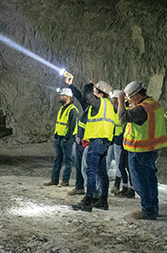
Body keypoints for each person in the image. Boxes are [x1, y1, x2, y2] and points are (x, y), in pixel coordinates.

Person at [67, 76, 118, 212]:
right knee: (102, 173)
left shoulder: (100, 103)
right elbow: (84, 99)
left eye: (96, 91)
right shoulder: (109, 106)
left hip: (96, 142)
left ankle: (88, 201)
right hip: (104, 142)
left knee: (91, 170)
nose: (93, 93)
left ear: (100, 93)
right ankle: (103, 201)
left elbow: (86, 96)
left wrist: (89, 85)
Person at [118, 81, 167, 220]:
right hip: (151, 149)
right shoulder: (153, 104)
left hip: (140, 150)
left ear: (138, 96)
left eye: (130, 98)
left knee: (140, 182)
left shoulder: (141, 109)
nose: (129, 101)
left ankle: (148, 211)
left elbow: (123, 117)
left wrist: (121, 102)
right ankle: (153, 208)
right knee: (150, 179)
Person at [44, 88, 78, 187]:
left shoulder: (72, 110)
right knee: (57, 160)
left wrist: (66, 138)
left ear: (68, 97)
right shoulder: (62, 108)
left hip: (66, 139)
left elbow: (72, 127)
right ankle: (54, 180)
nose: (60, 97)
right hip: (59, 137)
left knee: (67, 160)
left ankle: (65, 181)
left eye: (62, 96)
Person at [107, 90, 124, 194]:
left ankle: (117, 184)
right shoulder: (110, 110)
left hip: (118, 139)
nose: (112, 101)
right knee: (107, 160)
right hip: (110, 139)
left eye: (114, 99)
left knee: (118, 163)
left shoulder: (122, 110)